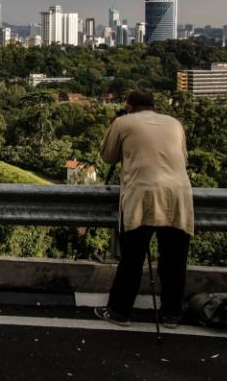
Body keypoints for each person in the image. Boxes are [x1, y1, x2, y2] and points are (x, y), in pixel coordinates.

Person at [94, 89, 194, 329]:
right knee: (174, 260)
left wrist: (114, 127)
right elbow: (183, 157)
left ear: (129, 106)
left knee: (132, 258)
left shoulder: (123, 122)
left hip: (142, 195)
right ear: (153, 105)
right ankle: (172, 314)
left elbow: (107, 156)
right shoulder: (174, 123)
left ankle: (120, 311)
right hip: (178, 195)